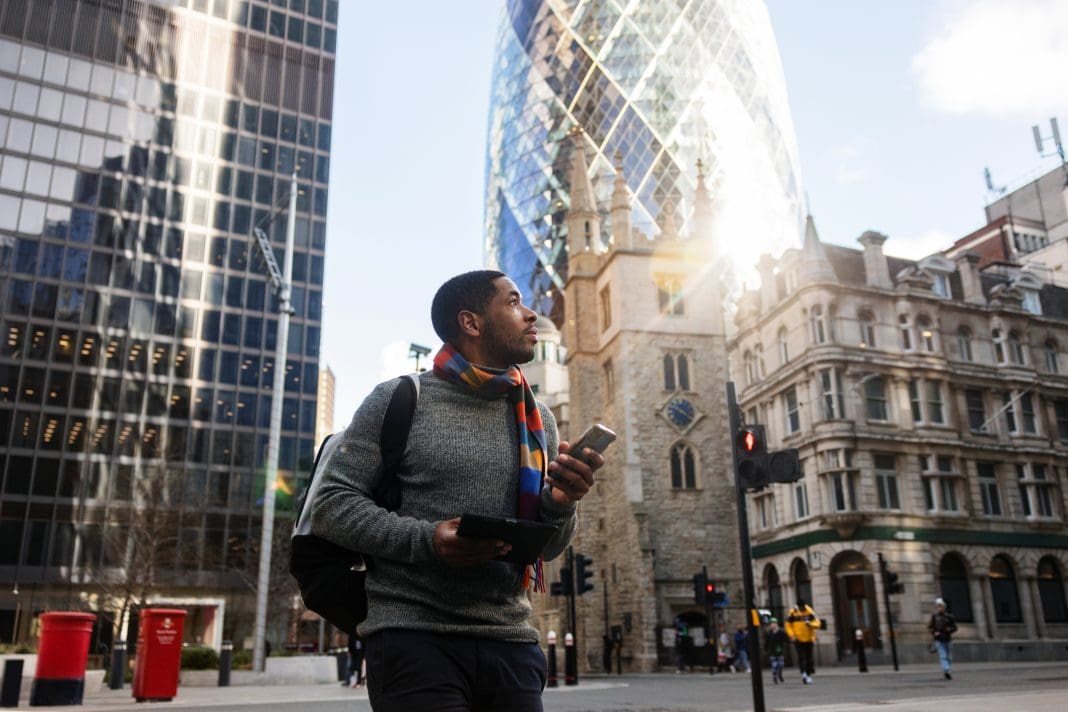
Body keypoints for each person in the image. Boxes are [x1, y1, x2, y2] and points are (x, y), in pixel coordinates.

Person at [312, 270, 604, 712]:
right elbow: (331, 506)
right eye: (513, 302)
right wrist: (429, 540)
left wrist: (561, 504)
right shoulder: (398, 399)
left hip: (511, 643)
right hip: (414, 639)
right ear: (471, 323)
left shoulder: (538, 418)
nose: (531, 314)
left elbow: (546, 549)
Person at [785, 598, 821, 684]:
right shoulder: (793, 612)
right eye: (800, 607)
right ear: (798, 606)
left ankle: (808, 674)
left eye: (803, 607)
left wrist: (810, 624)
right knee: (801, 657)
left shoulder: (809, 611)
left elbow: (818, 623)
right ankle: (803, 673)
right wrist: (792, 636)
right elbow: (788, 625)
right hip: (798, 639)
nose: (802, 609)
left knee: (809, 658)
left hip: (808, 638)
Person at [928, 597, 958, 680]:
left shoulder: (949, 616)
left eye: (940, 606)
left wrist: (949, 630)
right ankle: (946, 670)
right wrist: (934, 632)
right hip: (938, 640)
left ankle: (947, 669)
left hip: (947, 639)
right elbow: (930, 627)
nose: (939, 608)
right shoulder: (934, 617)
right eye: (938, 606)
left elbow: (955, 627)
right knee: (943, 656)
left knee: (949, 657)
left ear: (944, 607)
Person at [765, 618, 788, 684]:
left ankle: (780, 674)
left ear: (776, 624)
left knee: (781, 664)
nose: (772, 625)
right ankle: (775, 676)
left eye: (773, 623)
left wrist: (790, 641)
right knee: (774, 664)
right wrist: (766, 649)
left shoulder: (781, 631)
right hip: (772, 651)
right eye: (771, 624)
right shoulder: (769, 632)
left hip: (780, 650)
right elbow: (767, 642)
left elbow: (786, 639)